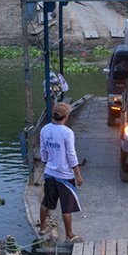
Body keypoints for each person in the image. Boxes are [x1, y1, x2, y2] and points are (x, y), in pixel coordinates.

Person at [39, 102, 84, 243]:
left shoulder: (45, 130)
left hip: (49, 173)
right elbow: (71, 155)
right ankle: (69, 234)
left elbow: (43, 151)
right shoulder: (67, 133)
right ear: (66, 117)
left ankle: (42, 227)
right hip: (64, 175)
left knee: (47, 201)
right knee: (67, 206)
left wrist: (47, 163)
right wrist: (78, 174)